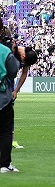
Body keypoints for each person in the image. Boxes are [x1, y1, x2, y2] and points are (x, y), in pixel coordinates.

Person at [10, 44, 38, 149]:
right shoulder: (10, 50)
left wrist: (16, 90)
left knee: (9, 113)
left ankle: (11, 140)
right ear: (23, 57)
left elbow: (24, 73)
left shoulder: (28, 56)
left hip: (9, 85)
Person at [0, 37, 20, 173]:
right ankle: (5, 164)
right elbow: (13, 71)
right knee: (6, 131)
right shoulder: (4, 51)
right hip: (2, 98)